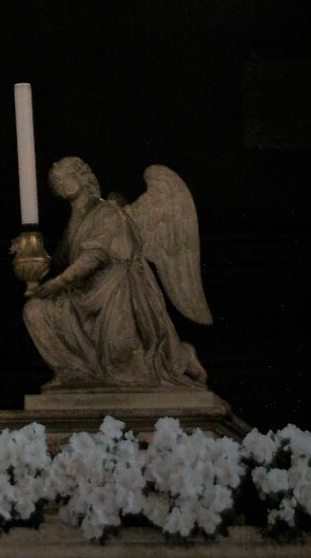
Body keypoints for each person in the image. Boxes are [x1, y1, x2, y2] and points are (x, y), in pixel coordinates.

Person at [24, 155, 208, 389]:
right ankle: (75, 373)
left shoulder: (108, 211)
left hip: (115, 293)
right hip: (80, 295)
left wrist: (58, 283)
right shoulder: (75, 220)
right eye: (55, 181)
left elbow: (94, 256)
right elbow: (61, 260)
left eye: (64, 177)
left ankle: (181, 358)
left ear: (81, 176)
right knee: (35, 311)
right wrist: (30, 253)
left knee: (121, 352)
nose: (60, 184)